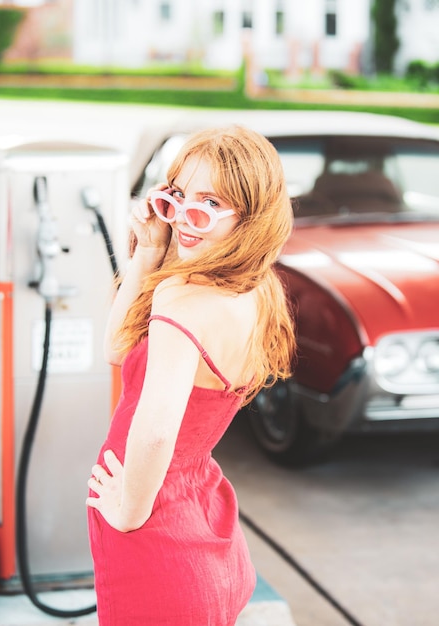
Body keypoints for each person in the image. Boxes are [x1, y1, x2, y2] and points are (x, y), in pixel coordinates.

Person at [86, 125, 296, 625]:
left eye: (209, 203)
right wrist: (149, 253)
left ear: (251, 217)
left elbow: (157, 431)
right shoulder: (256, 289)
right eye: (177, 196)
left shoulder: (184, 298)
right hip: (198, 514)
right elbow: (119, 346)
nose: (184, 218)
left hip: (155, 535)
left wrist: (128, 514)